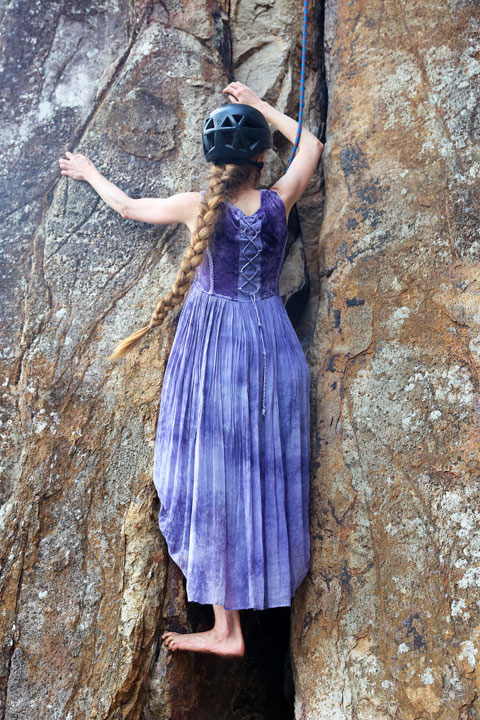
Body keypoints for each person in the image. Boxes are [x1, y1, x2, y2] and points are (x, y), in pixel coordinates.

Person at [58, 81, 324, 658]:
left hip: (215, 351)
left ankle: (227, 629)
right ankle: (240, 616)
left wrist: (90, 171)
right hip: (271, 346)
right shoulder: (280, 201)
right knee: (260, 472)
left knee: (212, 474)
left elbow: (129, 207)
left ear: (214, 162)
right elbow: (313, 146)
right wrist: (260, 105)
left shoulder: (197, 208)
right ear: (260, 158)